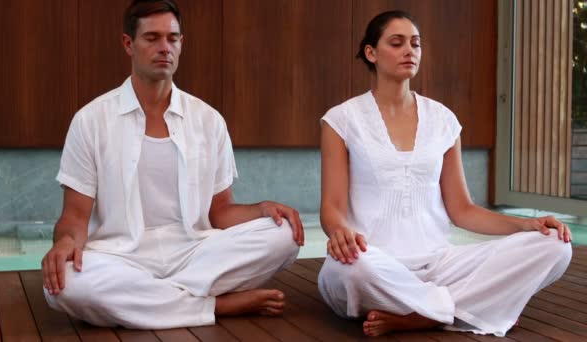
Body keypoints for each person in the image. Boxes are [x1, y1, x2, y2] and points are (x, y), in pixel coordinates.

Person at [42, 0, 303, 329]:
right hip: (121, 256)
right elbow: (75, 217)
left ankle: (155, 300)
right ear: (128, 44)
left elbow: (220, 212)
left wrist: (263, 208)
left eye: (172, 38)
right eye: (152, 38)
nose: (164, 48)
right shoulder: (91, 120)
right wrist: (65, 243)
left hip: (195, 253)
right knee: (64, 284)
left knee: (284, 235)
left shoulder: (208, 120)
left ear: (181, 43)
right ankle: (214, 305)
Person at [317, 10, 572, 337]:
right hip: (375, 263)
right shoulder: (341, 120)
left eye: (416, 44)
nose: (410, 50)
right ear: (371, 53)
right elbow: (332, 206)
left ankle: (425, 313)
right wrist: (339, 230)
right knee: (352, 273)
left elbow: (462, 210)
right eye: (397, 43)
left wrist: (528, 224)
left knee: (555, 246)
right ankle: (464, 308)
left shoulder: (443, 120)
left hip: (439, 267)